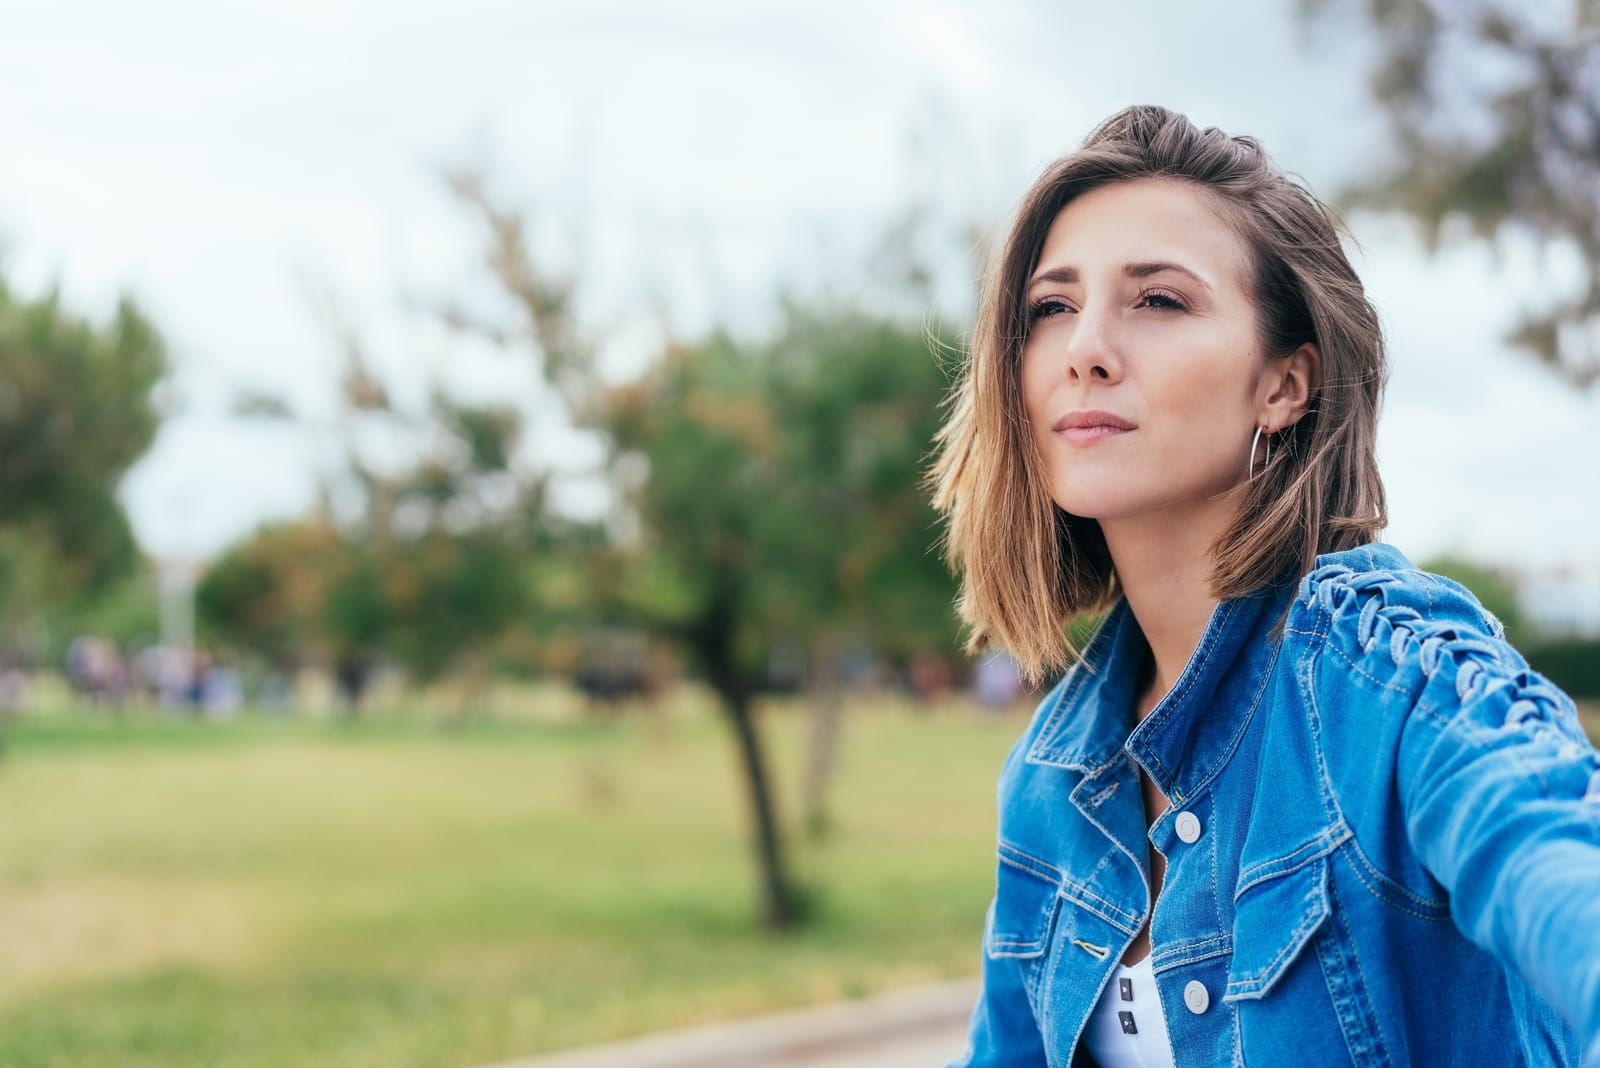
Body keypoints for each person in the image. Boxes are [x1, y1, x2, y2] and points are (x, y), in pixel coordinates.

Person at [928, 105, 1600, 1067]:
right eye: (1051, 308)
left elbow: (1554, 859)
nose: (1086, 348)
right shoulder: (1051, 778)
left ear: (1284, 385)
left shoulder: (1384, 678)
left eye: (1159, 301)